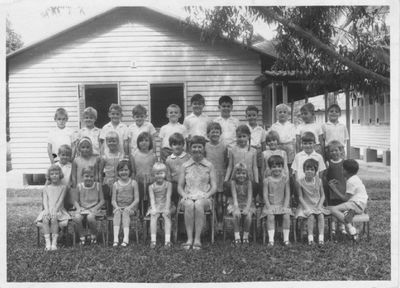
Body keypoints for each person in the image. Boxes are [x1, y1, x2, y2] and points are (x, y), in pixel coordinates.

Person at [178, 136, 217, 250]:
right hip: (188, 195)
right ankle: (189, 238)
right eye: (194, 147)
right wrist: (184, 195)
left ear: (203, 149)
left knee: (199, 204)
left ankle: (197, 239)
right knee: (190, 204)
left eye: (199, 147)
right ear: (190, 149)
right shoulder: (185, 166)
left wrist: (208, 194)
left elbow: (214, 186)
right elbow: (180, 187)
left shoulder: (209, 165)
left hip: (204, 197)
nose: (197, 149)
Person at [328, 159, 368, 241]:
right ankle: (349, 213)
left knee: (332, 209)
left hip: (355, 204)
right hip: (360, 205)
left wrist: (334, 188)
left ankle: (352, 230)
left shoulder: (351, 181)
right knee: (336, 209)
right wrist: (339, 185)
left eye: (343, 169)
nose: (341, 170)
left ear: (347, 171)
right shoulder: (355, 178)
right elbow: (349, 193)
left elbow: (345, 198)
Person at [36, 165, 71, 251]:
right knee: (45, 218)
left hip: (59, 209)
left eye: (56, 173)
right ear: (49, 176)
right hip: (48, 209)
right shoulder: (46, 188)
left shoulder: (63, 187)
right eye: (52, 174)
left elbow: (60, 200)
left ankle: (54, 243)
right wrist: (47, 210)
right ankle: (48, 243)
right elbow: (45, 201)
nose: (54, 175)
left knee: (54, 217)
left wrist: (55, 210)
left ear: (60, 175)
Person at [295, 159, 330, 245]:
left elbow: (323, 196)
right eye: (307, 169)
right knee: (310, 215)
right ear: (304, 170)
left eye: (312, 169)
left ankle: (321, 238)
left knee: (320, 215)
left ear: (315, 171)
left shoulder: (319, 181)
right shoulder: (300, 182)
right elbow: (300, 197)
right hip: (305, 205)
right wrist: (306, 207)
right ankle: (310, 238)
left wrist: (319, 205)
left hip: (317, 205)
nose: (309, 171)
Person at [261, 155, 292, 246]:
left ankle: (286, 239)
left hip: (282, 204)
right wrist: (269, 206)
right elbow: (265, 195)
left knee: (286, 215)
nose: (276, 169)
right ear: (270, 168)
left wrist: (285, 206)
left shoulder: (285, 179)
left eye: (279, 166)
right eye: (274, 167)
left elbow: (287, 194)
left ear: (282, 167)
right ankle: (271, 240)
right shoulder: (267, 180)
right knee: (270, 216)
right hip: (270, 204)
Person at [224, 125, 259, 198]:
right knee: (235, 197)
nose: (242, 139)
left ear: (248, 136)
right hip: (236, 178)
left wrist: (256, 181)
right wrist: (226, 180)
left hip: (248, 178)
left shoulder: (253, 151)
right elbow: (230, 166)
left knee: (248, 197)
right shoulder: (232, 150)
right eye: (239, 137)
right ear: (236, 137)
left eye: (244, 136)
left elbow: (255, 167)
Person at [205, 122, 228, 233]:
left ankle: (220, 223)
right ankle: (210, 225)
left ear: (220, 133)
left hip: (220, 177)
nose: (214, 134)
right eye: (212, 132)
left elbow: (226, 162)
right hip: (209, 177)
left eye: (217, 132)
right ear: (207, 134)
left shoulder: (224, 146)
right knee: (210, 201)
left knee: (220, 202)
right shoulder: (205, 146)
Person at [73, 167, 105, 245]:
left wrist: (95, 208)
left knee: (90, 217)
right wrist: (78, 208)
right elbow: (75, 201)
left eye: (91, 176)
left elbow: (102, 200)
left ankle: (93, 235)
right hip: (83, 208)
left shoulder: (98, 185)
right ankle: (82, 237)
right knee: (77, 218)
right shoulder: (79, 186)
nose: (89, 178)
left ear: (94, 177)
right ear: (82, 176)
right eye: (86, 176)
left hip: (94, 208)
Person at [112, 160, 139, 247]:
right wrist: (116, 207)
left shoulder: (133, 183)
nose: (124, 172)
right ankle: (115, 238)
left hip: (131, 208)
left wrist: (130, 207)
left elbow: (137, 199)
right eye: (121, 170)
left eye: (126, 170)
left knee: (125, 213)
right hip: (118, 207)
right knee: (117, 213)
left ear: (130, 171)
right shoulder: (115, 184)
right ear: (118, 172)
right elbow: (113, 200)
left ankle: (125, 238)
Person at [148, 162, 176, 249]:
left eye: (161, 173)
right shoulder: (151, 187)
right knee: (153, 215)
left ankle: (167, 241)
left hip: (167, 204)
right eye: (157, 173)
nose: (159, 175)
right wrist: (154, 209)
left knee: (166, 215)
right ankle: (153, 240)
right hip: (156, 204)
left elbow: (168, 197)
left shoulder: (168, 184)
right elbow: (152, 198)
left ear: (165, 173)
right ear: (153, 174)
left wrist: (167, 209)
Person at [227, 163, 256, 247]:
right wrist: (236, 208)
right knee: (235, 215)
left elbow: (250, 197)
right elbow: (234, 196)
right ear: (234, 174)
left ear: (247, 174)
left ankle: (245, 236)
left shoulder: (249, 183)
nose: (241, 175)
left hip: (247, 203)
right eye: (238, 173)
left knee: (248, 216)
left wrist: (247, 208)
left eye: (243, 173)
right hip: (235, 203)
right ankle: (237, 237)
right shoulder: (233, 183)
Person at [323, 140, 347, 236]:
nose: (334, 153)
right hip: (332, 190)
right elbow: (325, 176)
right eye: (332, 151)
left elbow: (347, 176)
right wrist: (329, 182)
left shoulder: (344, 163)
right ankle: (332, 227)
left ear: (341, 151)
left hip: (342, 189)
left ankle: (342, 226)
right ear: (329, 153)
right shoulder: (328, 163)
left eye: (336, 150)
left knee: (342, 208)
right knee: (333, 208)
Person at [131, 132, 157, 216]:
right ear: (138, 143)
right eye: (141, 140)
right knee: (140, 200)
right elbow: (133, 170)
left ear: (150, 143)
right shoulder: (134, 155)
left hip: (150, 181)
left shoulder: (153, 155)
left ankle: (149, 219)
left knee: (149, 200)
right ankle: (140, 218)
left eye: (146, 140)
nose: (144, 142)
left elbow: (155, 170)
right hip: (139, 181)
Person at [99, 131, 125, 216]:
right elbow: (100, 172)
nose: (112, 143)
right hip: (108, 183)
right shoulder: (104, 156)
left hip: (119, 183)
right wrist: (100, 183)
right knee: (110, 203)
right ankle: (110, 224)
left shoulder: (121, 155)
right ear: (106, 142)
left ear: (117, 142)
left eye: (114, 141)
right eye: (109, 141)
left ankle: (119, 222)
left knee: (119, 202)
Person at [165, 133, 191, 207]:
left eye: (179, 144)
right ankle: (174, 210)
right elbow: (168, 175)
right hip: (174, 184)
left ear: (183, 145)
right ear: (171, 146)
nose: (177, 146)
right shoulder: (168, 159)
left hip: (186, 184)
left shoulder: (188, 157)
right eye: (175, 144)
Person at [56, 145, 73, 210]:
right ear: (59, 155)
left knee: (66, 206)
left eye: (67, 155)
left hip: (67, 190)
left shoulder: (71, 166)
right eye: (63, 155)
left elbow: (72, 179)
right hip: (57, 190)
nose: (65, 157)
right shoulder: (56, 166)